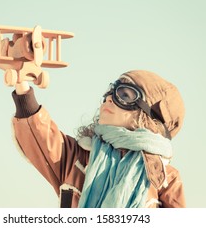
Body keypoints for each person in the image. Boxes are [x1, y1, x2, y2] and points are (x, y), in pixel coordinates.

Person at [12, 70, 186, 208]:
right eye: (111, 91)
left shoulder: (163, 177)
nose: (110, 97)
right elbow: (40, 135)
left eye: (125, 95)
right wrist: (21, 82)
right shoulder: (78, 158)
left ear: (147, 117)